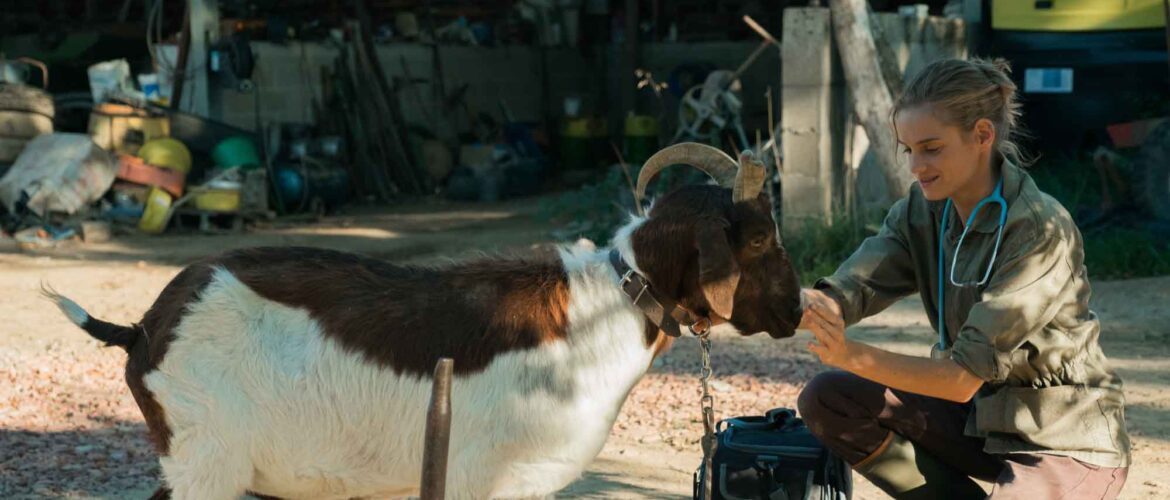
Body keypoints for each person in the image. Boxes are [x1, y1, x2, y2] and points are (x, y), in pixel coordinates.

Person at [795, 57, 1131, 499]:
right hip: (980, 422)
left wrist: (850, 353)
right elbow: (849, 290)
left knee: (855, 375)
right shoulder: (923, 209)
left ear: (982, 136)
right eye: (908, 149)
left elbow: (959, 379)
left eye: (931, 148)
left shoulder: (1039, 228)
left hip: (1064, 441)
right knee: (828, 398)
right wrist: (756, 297)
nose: (916, 165)